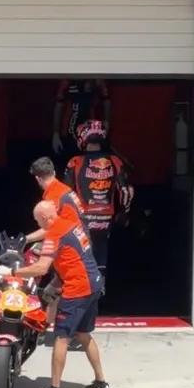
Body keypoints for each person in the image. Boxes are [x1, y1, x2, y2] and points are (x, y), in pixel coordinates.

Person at [0, 200, 108, 388]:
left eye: (38, 221)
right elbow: (70, 256)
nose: (38, 224)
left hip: (77, 290)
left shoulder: (55, 233)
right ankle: (101, 383)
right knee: (83, 335)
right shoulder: (69, 225)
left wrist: (12, 272)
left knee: (61, 338)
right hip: (93, 284)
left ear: (44, 218)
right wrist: (54, 284)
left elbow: (41, 268)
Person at [63, 120, 133, 288]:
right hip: (106, 218)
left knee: (81, 255)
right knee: (101, 253)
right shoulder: (115, 161)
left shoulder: (75, 162)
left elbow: (65, 193)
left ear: (82, 138)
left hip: (82, 219)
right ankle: (100, 289)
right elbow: (126, 191)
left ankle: (82, 289)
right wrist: (124, 212)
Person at [25, 156, 87, 326]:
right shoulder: (64, 190)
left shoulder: (54, 197)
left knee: (51, 291)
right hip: (80, 243)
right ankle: (45, 327)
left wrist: (25, 239)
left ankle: (61, 329)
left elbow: (49, 229)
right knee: (51, 293)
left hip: (72, 250)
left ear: (37, 179)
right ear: (53, 172)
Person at [51, 79, 111, 156]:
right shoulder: (67, 82)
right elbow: (59, 106)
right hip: (69, 132)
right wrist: (56, 133)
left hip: (91, 132)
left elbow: (106, 101)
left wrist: (106, 123)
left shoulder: (97, 81)